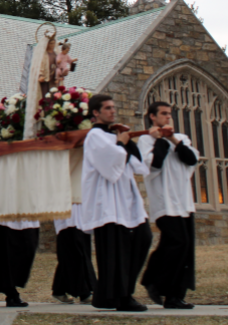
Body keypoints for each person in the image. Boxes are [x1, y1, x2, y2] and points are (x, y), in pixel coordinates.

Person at [79, 94, 152, 312]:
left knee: (143, 238)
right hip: (108, 203)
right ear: (96, 112)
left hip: (126, 200)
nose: (113, 111)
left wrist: (126, 143)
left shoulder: (114, 135)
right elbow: (110, 166)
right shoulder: (94, 136)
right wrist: (121, 143)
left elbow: (138, 166)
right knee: (115, 252)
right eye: (108, 108)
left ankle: (113, 294)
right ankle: (120, 297)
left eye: (113, 107)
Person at [139, 101, 199, 310]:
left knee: (184, 248)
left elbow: (190, 159)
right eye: (163, 114)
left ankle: (174, 295)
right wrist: (159, 141)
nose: (168, 117)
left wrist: (171, 138)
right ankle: (154, 281)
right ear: (152, 117)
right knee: (176, 243)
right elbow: (154, 164)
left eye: (170, 114)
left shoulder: (181, 139)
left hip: (184, 201)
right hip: (164, 201)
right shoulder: (146, 141)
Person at [51, 202, 97, 304]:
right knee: (75, 251)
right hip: (68, 212)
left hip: (81, 212)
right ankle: (84, 293)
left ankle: (60, 289)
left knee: (76, 252)